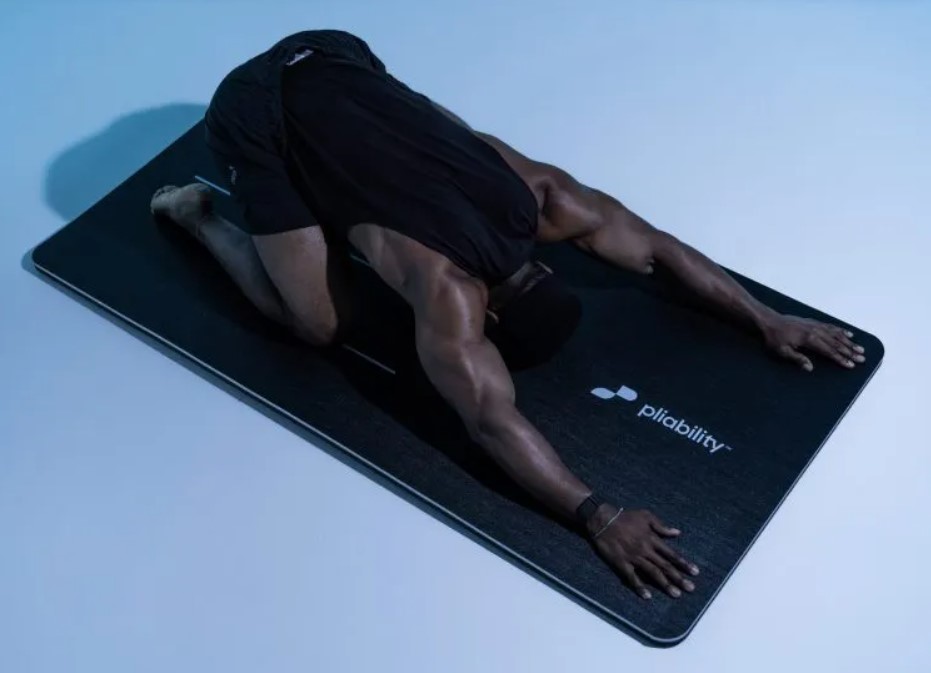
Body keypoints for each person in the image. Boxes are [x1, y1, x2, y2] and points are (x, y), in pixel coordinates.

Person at [151, 29, 867, 601]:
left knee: (452, 138)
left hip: (335, 49)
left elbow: (655, 250)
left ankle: (341, 187)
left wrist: (765, 317)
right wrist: (596, 515)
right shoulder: (446, 292)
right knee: (315, 323)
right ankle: (195, 214)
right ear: (488, 318)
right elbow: (490, 417)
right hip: (254, 110)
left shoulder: (542, 197)